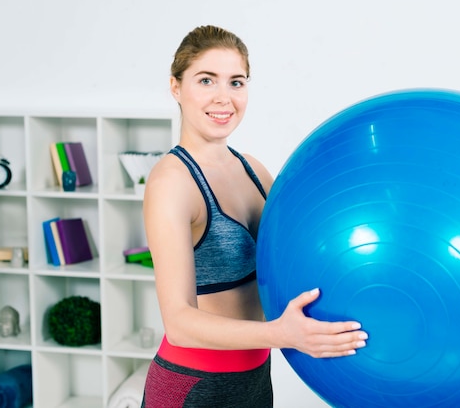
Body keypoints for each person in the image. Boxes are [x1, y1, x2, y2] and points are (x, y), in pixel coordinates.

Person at [141, 25, 368, 407]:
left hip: (254, 381)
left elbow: (298, 253)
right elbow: (179, 323)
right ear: (176, 88)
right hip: (193, 387)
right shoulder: (171, 182)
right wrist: (283, 334)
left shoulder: (254, 171)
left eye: (236, 82)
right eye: (206, 80)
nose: (223, 97)